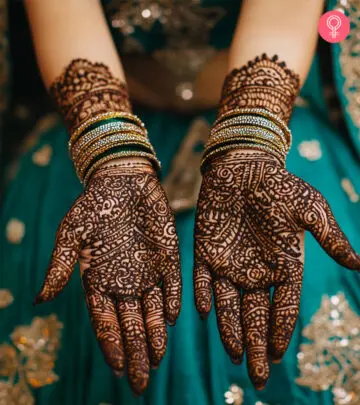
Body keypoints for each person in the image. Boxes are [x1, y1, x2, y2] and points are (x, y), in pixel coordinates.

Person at [1, 0, 360, 404]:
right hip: (91, 148)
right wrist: (113, 157)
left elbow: (281, 16)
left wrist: (248, 147)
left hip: (272, 141)